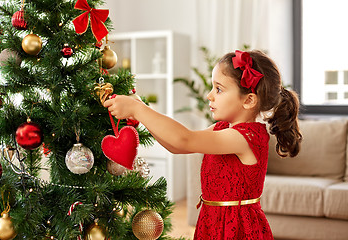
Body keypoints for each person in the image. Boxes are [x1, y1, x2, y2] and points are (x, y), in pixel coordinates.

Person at [104, 50, 302, 239]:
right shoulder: (222, 128)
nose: (209, 95)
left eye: (219, 89)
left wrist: (138, 110)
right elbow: (178, 146)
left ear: (249, 100)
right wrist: (142, 114)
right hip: (212, 220)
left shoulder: (246, 137)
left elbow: (185, 138)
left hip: (237, 228)